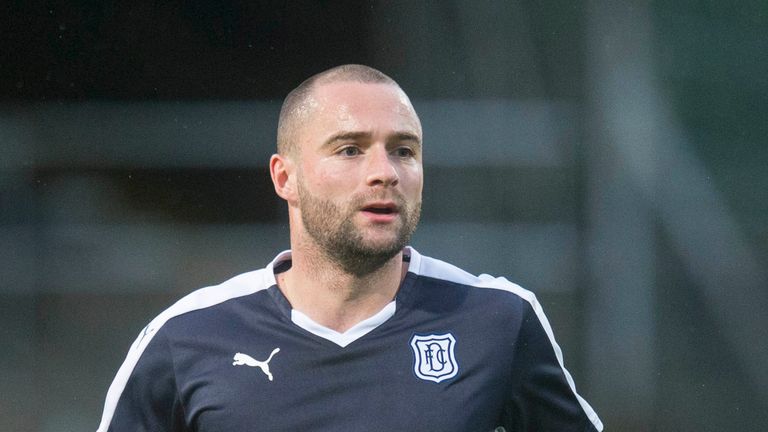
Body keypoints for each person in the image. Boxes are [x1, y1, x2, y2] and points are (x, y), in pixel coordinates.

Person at [96, 64, 603, 432]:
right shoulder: (186, 338)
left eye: (403, 150)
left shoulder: (497, 320)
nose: (384, 171)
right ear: (285, 178)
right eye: (350, 149)